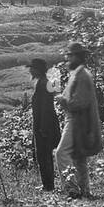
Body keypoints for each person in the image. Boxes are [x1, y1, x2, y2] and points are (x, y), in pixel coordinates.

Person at [55, 43, 102, 199]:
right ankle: (84, 190)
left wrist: (63, 101)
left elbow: (80, 102)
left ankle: (72, 189)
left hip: (76, 120)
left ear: (78, 57)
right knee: (78, 156)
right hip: (78, 119)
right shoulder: (79, 73)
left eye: (70, 56)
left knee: (61, 153)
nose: (68, 59)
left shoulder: (82, 75)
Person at [28, 58, 59, 192]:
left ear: (38, 70)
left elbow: (46, 108)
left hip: (44, 126)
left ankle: (48, 186)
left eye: (32, 68)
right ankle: (47, 184)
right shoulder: (42, 83)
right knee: (43, 155)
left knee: (44, 155)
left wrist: (43, 128)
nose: (30, 70)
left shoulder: (43, 84)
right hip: (43, 125)